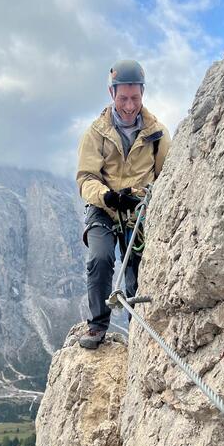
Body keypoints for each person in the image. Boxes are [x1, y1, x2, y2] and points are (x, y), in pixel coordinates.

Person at [76, 59, 171, 349]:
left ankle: (138, 332)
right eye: (123, 98)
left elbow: (167, 175)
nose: (129, 105)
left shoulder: (157, 134)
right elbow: (86, 178)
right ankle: (97, 325)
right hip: (104, 207)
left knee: (137, 271)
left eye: (135, 98)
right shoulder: (96, 133)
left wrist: (146, 199)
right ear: (111, 93)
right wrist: (107, 196)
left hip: (137, 211)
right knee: (100, 258)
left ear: (142, 93)